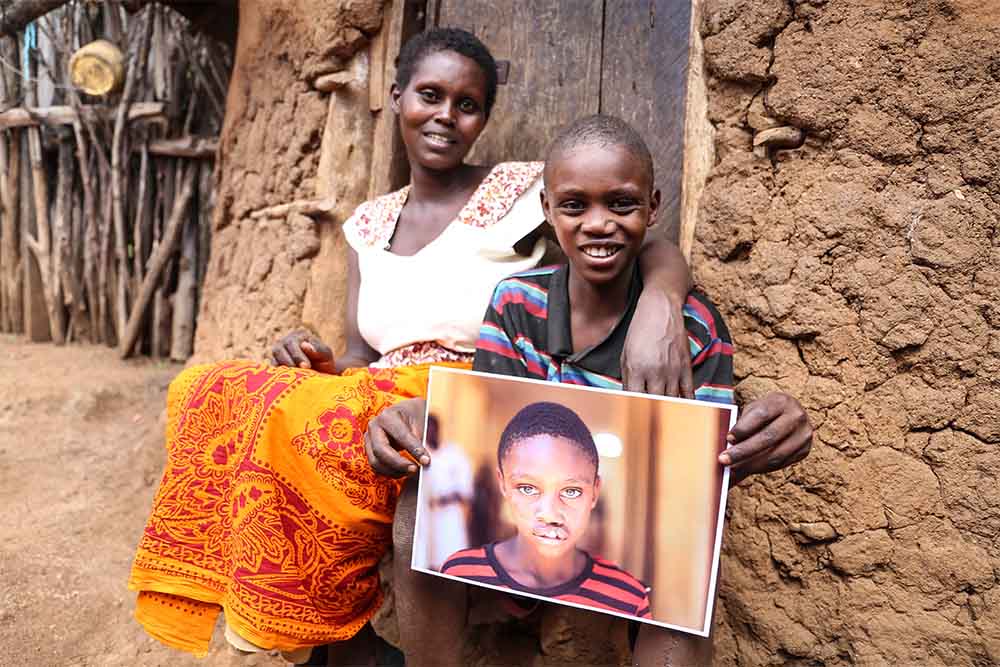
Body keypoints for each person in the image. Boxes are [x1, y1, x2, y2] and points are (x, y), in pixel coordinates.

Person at [128, 29, 701, 663]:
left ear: (484, 117)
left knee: (308, 420)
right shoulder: (368, 223)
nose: (446, 117)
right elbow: (356, 353)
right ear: (397, 97)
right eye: (430, 95)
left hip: (472, 387)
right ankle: (310, 623)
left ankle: (328, 636)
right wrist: (317, 362)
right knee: (209, 388)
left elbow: (632, 234)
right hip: (373, 388)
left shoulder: (521, 191)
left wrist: (660, 303)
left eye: (467, 104)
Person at [375, 114, 814, 666]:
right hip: (520, 523)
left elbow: (701, 478)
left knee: (691, 549)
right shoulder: (517, 303)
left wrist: (751, 446)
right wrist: (423, 419)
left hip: (620, 529)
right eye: (575, 206)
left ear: (653, 208)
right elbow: (487, 431)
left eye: (622, 205)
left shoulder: (694, 330)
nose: (598, 224)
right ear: (547, 211)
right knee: (418, 507)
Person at [441, 401, 652, 619]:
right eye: (528, 488)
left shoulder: (629, 600)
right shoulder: (460, 573)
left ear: (594, 493)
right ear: (503, 485)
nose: (550, 515)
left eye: (571, 491)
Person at [422, 415, 474, 570]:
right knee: (426, 559)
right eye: (427, 428)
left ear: (438, 429)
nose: (430, 432)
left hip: (449, 517)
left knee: (450, 560)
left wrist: (445, 499)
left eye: (433, 427)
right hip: (426, 516)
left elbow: (465, 490)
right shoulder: (422, 453)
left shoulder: (454, 453)